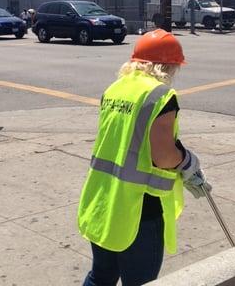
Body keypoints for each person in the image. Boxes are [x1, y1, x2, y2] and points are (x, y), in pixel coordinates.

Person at [78, 28, 211, 286]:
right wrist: (187, 161)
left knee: (101, 276)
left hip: (103, 199)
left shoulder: (116, 89)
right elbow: (162, 156)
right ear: (168, 65)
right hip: (140, 209)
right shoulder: (160, 95)